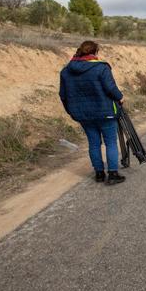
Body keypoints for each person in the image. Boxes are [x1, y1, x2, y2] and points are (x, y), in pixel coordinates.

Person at [59, 41, 125, 185]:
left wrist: (71, 111)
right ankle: (112, 173)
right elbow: (110, 88)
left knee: (94, 143)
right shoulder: (101, 67)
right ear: (95, 52)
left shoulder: (66, 71)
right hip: (105, 112)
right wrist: (120, 97)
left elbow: (63, 95)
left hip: (83, 115)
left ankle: (99, 173)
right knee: (110, 143)